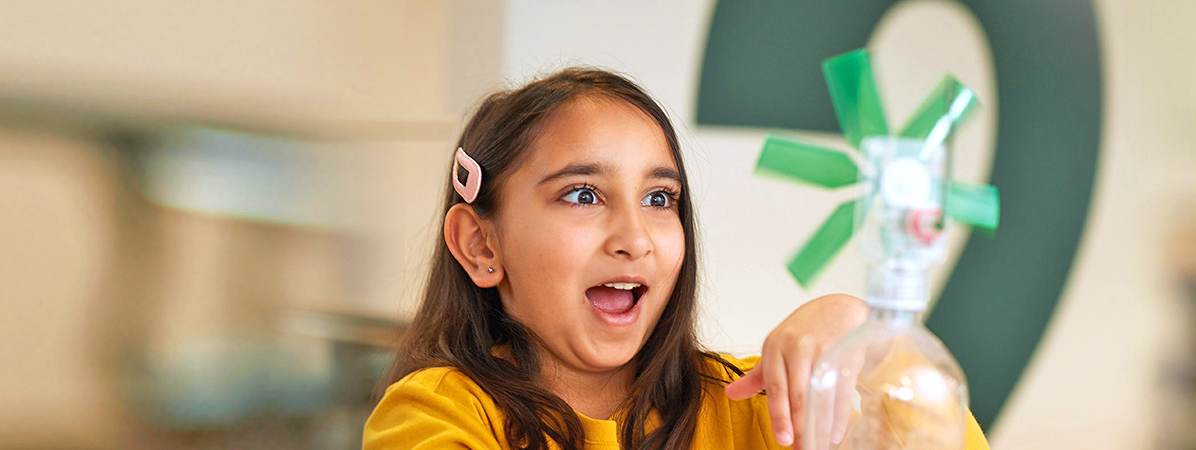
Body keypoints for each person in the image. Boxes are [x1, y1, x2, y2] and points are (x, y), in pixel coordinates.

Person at [362, 67, 988, 450]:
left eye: (660, 198)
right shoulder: (436, 415)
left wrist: (872, 345)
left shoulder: (758, 407)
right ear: (481, 244)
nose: (635, 236)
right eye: (584, 195)